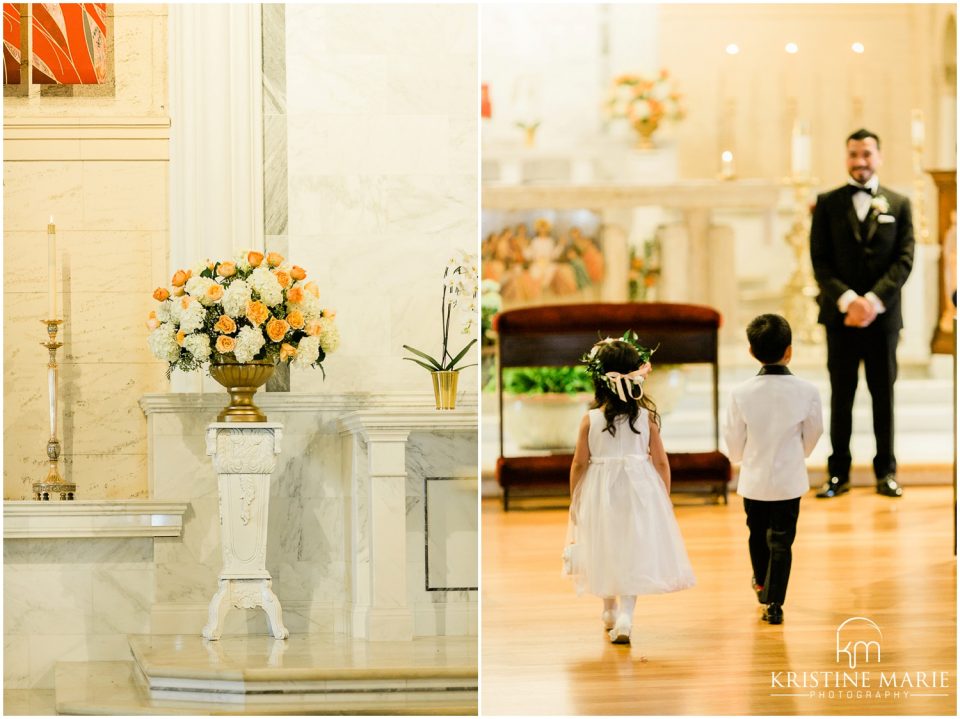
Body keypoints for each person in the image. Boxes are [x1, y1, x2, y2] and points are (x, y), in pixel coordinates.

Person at [565, 333, 695, 645]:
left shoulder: (590, 419)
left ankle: (608, 608)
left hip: (600, 489)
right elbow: (661, 462)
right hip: (640, 487)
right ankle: (626, 614)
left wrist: (575, 498)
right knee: (633, 546)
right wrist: (663, 497)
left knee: (605, 544)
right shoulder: (646, 417)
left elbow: (579, 464)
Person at [809, 128, 914, 499]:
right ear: (846, 158)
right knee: (842, 395)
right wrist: (848, 301)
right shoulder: (826, 202)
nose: (860, 162)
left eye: (867, 155)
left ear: (878, 157)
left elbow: (904, 260)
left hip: (882, 319)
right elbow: (819, 261)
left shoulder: (899, 204)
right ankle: (838, 473)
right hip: (840, 319)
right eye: (853, 155)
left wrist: (872, 302)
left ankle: (886, 471)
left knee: (883, 394)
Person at [724, 314, 822, 625]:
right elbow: (815, 431)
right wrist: (799, 454)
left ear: (751, 351)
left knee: (756, 534)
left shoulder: (740, 392)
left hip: (754, 480)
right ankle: (775, 602)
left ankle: (761, 583)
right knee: (782, 540)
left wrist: (740, 457)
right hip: (789, 481)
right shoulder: (807, 391)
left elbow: (733, 436)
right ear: (789, 350)